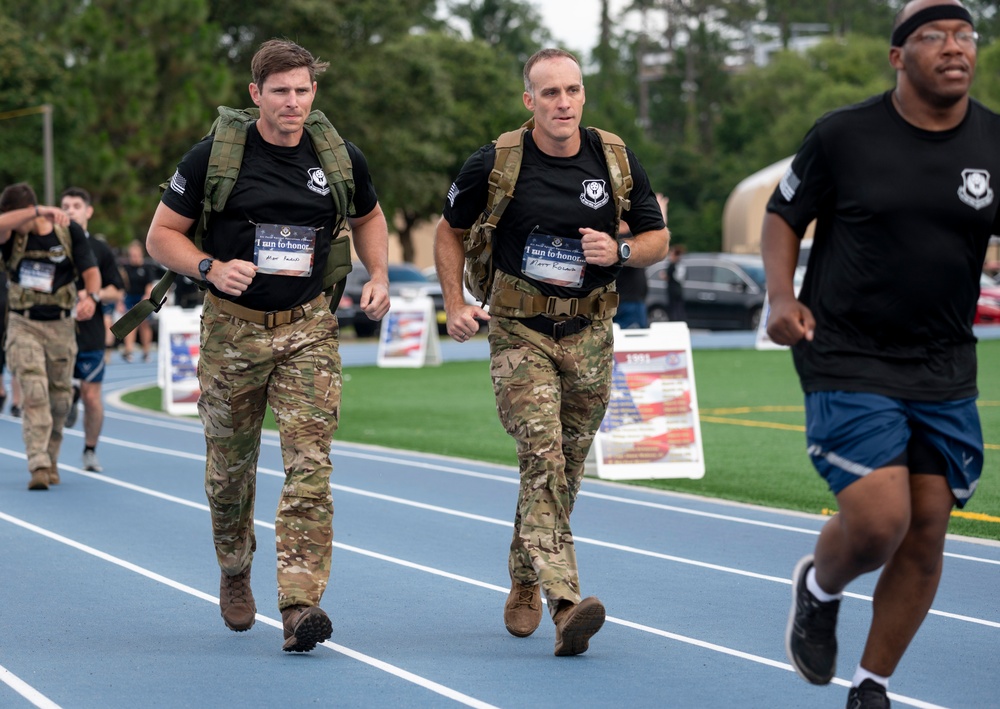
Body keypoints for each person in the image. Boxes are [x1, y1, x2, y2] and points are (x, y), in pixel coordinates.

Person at [760, 2, 998, 707]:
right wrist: (779, 297)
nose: (954, 48)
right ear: (898, 57)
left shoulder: (993, 141)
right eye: (933, 36)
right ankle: (820, 586)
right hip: (846, 351)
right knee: (878, 521)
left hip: (944, 363)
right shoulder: (844, 135)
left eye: (964, 35)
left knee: (926, 530)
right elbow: (783, 215)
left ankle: (872, 686)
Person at [145, 39, 390, 653]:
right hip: (232, 332)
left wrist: (379, 274)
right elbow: (160, 237)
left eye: (303, 90)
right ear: (256, 94)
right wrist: (208, 266)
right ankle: (234, 568)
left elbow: (369, 216)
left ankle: (299, 603)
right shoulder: (215, 157)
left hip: (307, 327)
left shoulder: (337, 157)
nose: (293, 102)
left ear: (314, 92)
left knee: (311, 466)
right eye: (280, 91)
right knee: (230, 475)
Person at [435, 47, 668, 656]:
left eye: (572, 90)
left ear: (583, 95)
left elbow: (657, 238)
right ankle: (567, 602)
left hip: (590, 333)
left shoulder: (613, 157)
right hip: (521, 332)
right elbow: (448, 230)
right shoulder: (497, 160)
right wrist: (455, 303)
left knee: (564, 469)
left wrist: (617, 253)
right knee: (542, 456)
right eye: (550, 93)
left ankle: (523, 577)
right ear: (529, 100)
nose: (563, 102)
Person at [0, 183, 101, 490]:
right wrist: (37, 210)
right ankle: (38, 464)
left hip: (60, 325)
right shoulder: (11, 234)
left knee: (58, 401)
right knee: (34, 393)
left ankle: (51, 458)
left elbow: (91, 272)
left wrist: (91, 298)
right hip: (23, 322)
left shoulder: (68, 232)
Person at [61, 187, 125, 472]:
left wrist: (92, 295)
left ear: (88, 211)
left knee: (92, 395)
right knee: (53, 394)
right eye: (65, 205)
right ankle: (45, 455)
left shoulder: (99, 250)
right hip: (55, 329)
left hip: (89, 333)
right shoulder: (50, 244)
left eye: (76, 205)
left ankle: (89, 450)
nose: (70, 210)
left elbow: (117, 290)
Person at [119, 240, 157, 362]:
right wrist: (120, 301)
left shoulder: (147, 267)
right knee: (130, 325)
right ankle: (128, 351)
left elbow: (149, 284)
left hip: (143, 298)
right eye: (132, 255)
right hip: (130, 298)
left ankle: (146, 351)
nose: (134, 258)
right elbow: (122, 285)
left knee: (145, 324)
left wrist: (146, 296)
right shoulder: (125, 268)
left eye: (136, 255)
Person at [612, 223, 649, 330]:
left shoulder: (609, 239)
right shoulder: (632, 240)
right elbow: (658, 228)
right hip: (630, 301)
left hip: (618, 299)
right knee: (634, 341)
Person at [665, 245, 686, 323]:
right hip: (679, 289)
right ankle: (680, 321)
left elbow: (668, 276)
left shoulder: (672, 265)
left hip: (673, 289)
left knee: (673, 308)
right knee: (679, 308)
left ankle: (674, 321)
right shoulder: (681, 264)